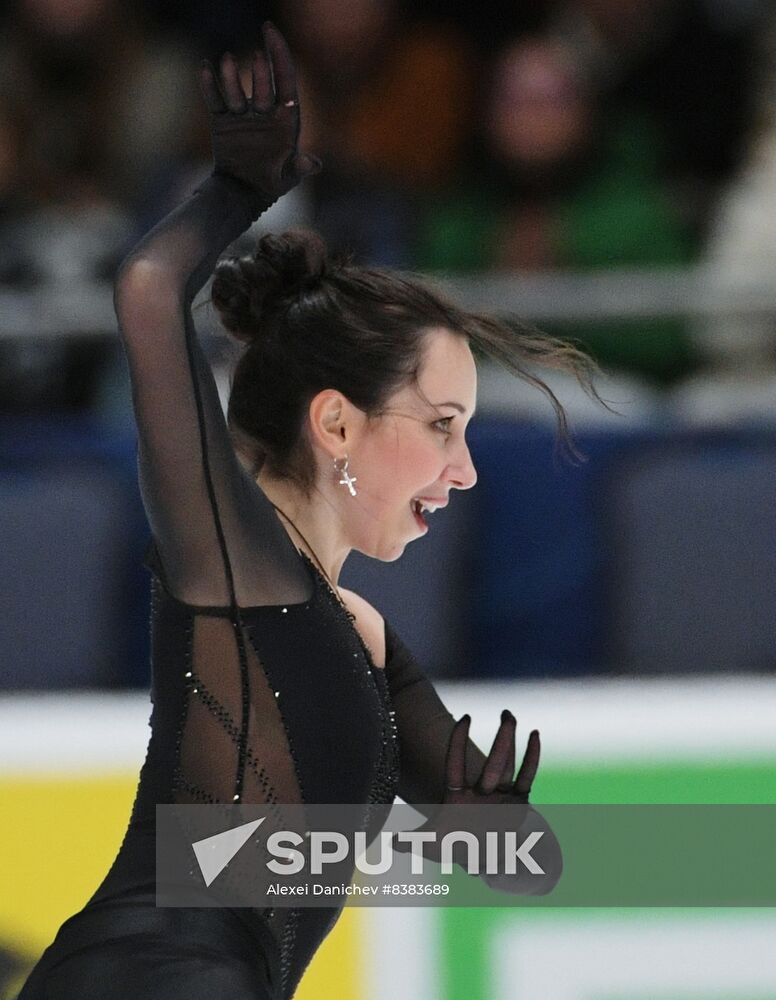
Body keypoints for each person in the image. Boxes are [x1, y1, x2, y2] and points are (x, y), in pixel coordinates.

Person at [16, 22, 591, 1000]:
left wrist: (490, 826)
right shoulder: (239, 559)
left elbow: (525, 869)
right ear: (335, 423)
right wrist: (235, 192)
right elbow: (149, 291)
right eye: (440, 426)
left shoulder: (359, 634)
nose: (463, 470)